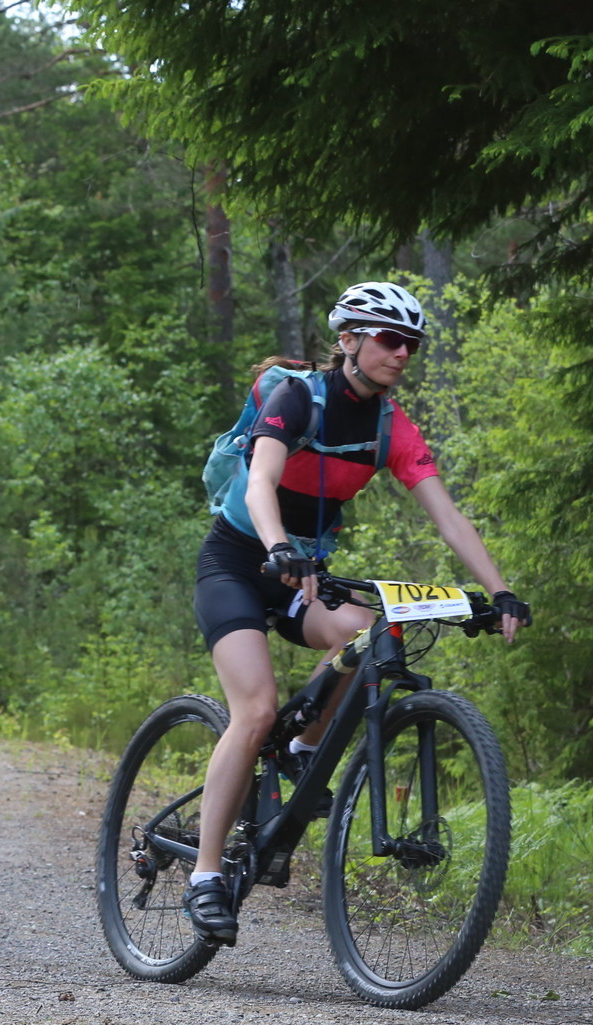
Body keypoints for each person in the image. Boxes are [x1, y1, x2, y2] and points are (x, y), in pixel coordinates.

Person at [185, 280, 530, 946]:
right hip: (238, 563)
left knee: (368, 633)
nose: (402, 353)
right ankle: (204, 876)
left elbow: (448, 517)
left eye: (411, 345)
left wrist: (499, 590)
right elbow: (260, 483)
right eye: (389, 339)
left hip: (305, 576)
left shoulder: (390, 426)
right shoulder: (297, 398)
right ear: (349, 340)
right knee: (254, 709)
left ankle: (301, 753)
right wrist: (278, 545)